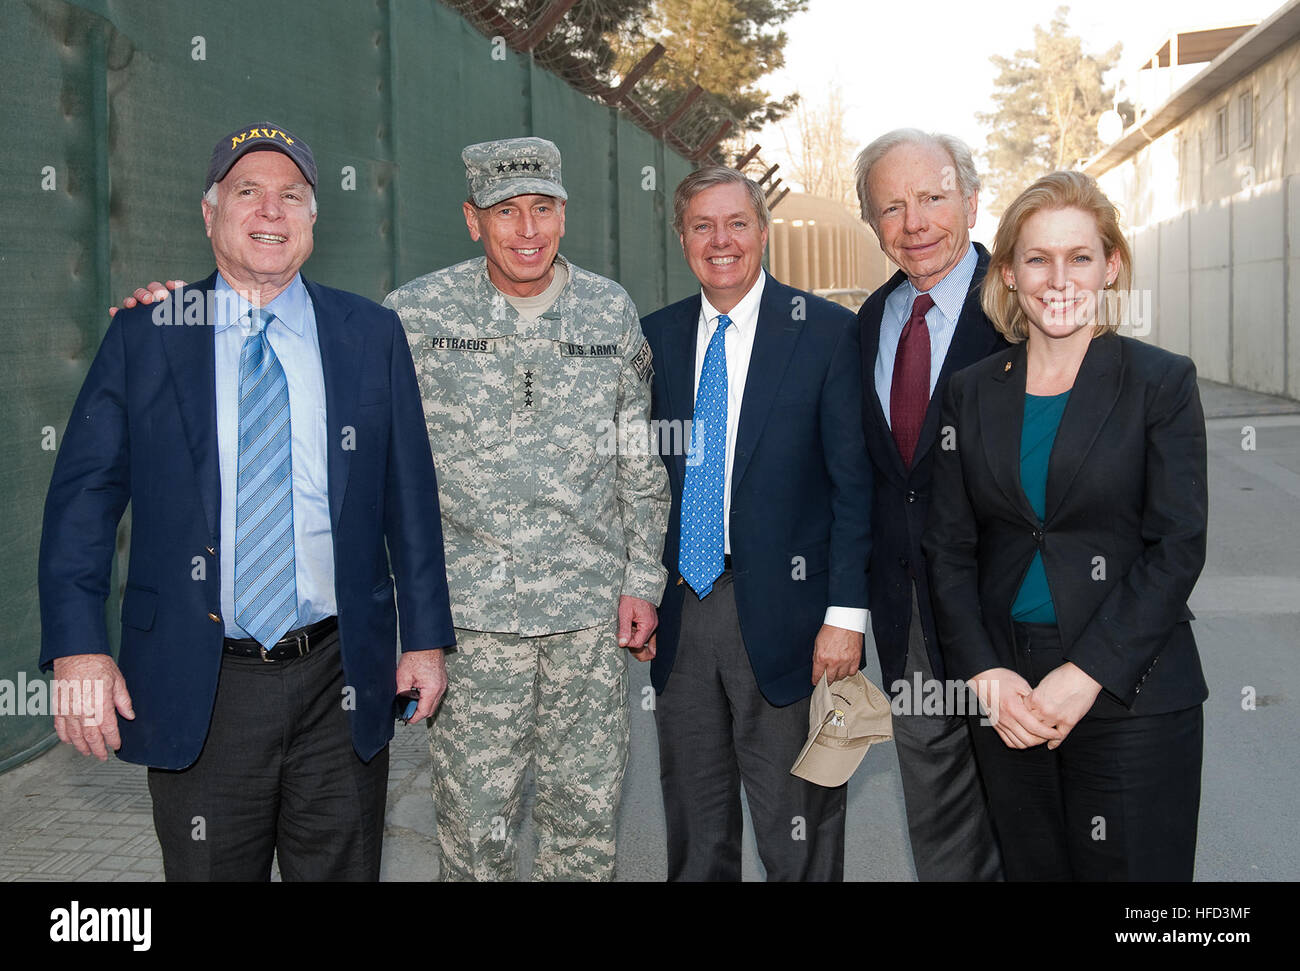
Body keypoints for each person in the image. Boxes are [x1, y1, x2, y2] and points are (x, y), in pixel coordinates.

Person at [38, 121, 456, 881]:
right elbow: (83, 501)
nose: (271, 211)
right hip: (203, 685)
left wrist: (425, 639)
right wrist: (78, 649)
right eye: (248, 193)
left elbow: (410, 496)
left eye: (291, 195)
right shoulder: (149, 332)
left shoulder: (370, 334)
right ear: (209, 213)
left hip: (340, 676)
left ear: (313, 219)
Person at [383, 137, 670, 882]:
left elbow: (638, 455)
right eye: (505, 212)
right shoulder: (416, 315)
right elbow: (383, 470)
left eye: (542, 208)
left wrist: (644, 576)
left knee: (584, 829)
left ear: (564, 214)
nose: (527, 229)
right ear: (474, 221)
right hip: (472, 628)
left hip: (589, 621)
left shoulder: (608, 310)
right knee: (475, 838)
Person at [923, 170, 1209, 880]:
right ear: (1011, 272)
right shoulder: (970, 391)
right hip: (1008, 696)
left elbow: (1176, 546)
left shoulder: (1160, 382)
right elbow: (950, 548)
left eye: (1079, 257)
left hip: (1130, 686)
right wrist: (986, 673)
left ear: (1110, 266)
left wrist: (1085, 676)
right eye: (1038, 257)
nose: (1059, 278)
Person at [639, 166, 872, 881]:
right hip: (683, 615)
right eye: (702, 225)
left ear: (762, 232)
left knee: (796, 836)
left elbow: (854, 482)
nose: (721, 240)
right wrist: (640, 590)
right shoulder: (653, 340)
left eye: (736, 222)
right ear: (681, 238)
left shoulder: (827, 332)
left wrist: (846, 614)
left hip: (792, 621)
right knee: (697, 834)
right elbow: (637, 483)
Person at [854, 129, 1005, 881]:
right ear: (873, 225)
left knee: (1030, 804)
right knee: (938, 805)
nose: (914, 222)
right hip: (909, 615)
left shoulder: (1024, 309)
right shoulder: (864, 327)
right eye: (891, 206)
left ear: (974, 202)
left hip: (1015, 614)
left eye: (933, 198)